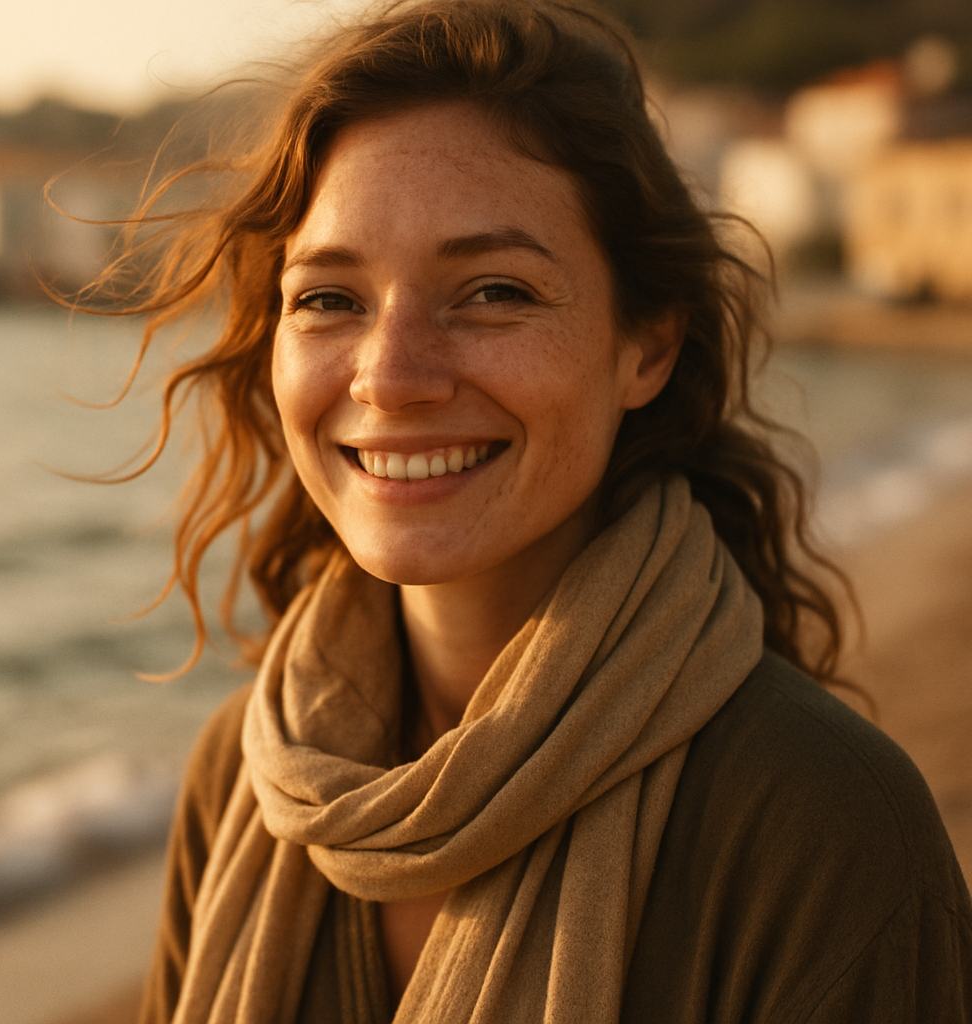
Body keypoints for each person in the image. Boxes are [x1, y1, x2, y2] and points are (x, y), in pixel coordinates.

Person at [75, 0, 971, 1020]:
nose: (392, 376)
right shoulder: (244, 781)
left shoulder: (822, 824)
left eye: (494, 290)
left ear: (646, 344)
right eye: (330, 298)